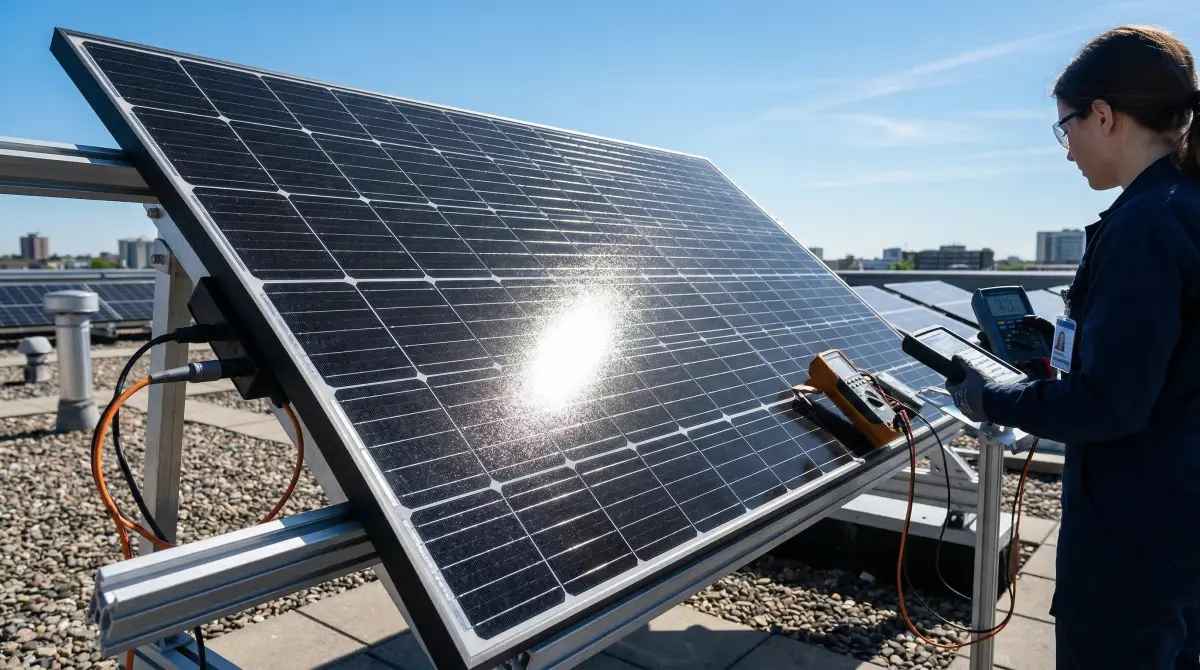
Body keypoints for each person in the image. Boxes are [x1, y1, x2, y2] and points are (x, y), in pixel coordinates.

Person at [945, 25, 1200, 669]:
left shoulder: (1145, 224)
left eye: (1066, 128)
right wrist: (1069, 351)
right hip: (1179, 528)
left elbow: (1110, 405)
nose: (1067, 153)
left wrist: (991, 397)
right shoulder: (1186, 205)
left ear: (1104, 116)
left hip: (1134, 542)